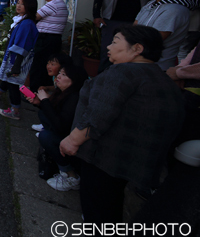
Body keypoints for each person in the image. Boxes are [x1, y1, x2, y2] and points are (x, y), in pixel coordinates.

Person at [60, 25, 184, 224]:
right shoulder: (163, 78)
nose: (108, 46)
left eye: (115, 41)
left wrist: (72, 140)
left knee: (99, 209)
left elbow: (99, 113)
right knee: (111, 207)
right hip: (137, 162)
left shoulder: (122, 72)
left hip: (105, 157)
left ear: (137, 49)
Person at [29, 64, 89, 191]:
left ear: (74, 80)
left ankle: (70, 175)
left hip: (73, 143)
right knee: (43, 113)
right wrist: (40, 103)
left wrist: (45, 101)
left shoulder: (75, 98)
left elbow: (61, 125)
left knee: (45, 137)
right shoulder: (64, 93)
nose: (58, 77)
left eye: (63, 75)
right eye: (59, 73)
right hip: (65, 133)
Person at [0, 0, 39, 120]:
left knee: (13, 84)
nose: (18, 6)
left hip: (16, 59)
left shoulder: (26, 24)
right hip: (14, 57)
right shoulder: (24, 20)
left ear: (29, 7)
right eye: (18, 3)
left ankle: (15, 110)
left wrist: (16, 66)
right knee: (9, 78)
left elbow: (22, 45)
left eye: (22, 4)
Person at [134, 0, 189, 70]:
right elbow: (133, 31)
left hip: (157, 68)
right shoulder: (150, 5)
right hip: (139, 65)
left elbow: (152, 40)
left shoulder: (174, 10)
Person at [28, 0, 68, 92]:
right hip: (53, 40)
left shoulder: (53, 4)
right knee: (48, 66)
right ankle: (43, 90)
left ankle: (34, 92)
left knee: (39, 65)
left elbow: (35, 17)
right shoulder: (60, 3)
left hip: (46, 40)